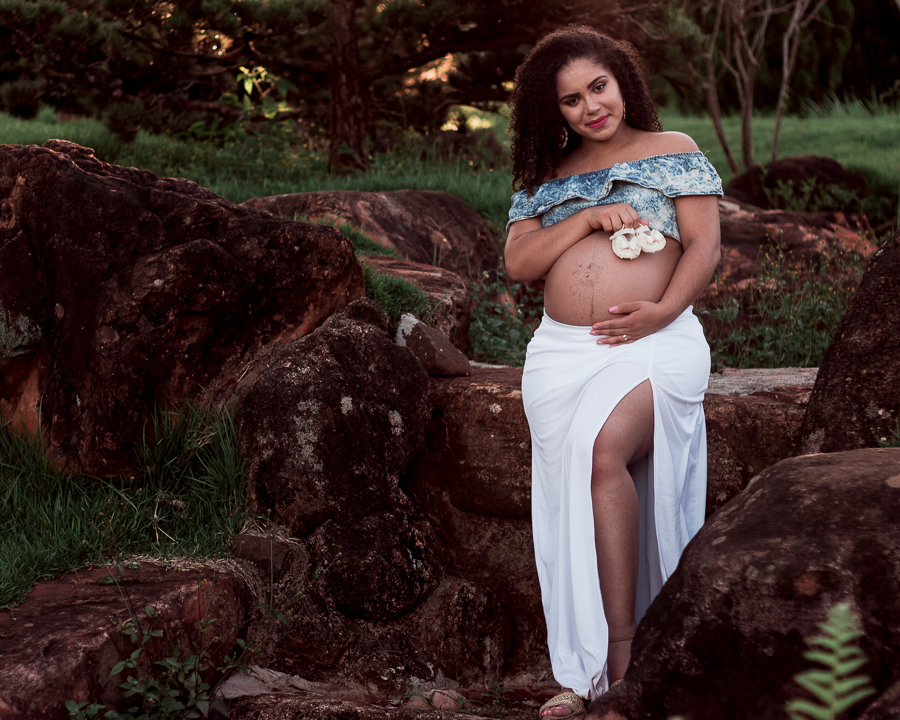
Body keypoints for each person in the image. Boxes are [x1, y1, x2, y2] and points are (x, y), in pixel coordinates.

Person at [504, 26, 722, 718]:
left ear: (622, 79)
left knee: (604, 452)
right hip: (563, 356)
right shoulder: (546, 176)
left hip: (658, 341)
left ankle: (626, 658)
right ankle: (587, 670)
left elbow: (705, 247)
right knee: (577, 482)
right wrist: (587, 218)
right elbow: (519, 264)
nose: (591, 106)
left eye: (599, 86)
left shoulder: (674, 152)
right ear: (555, 111)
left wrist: (659, 312)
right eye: (571, 100)